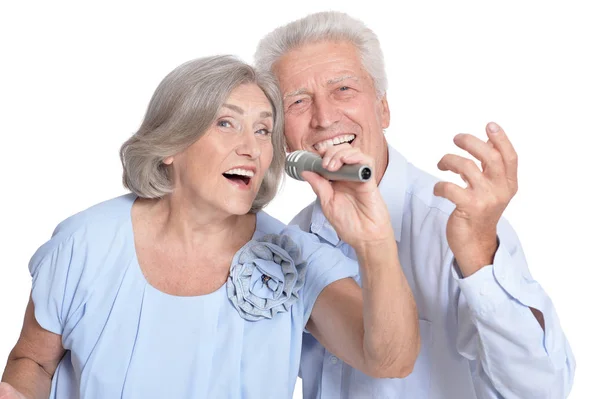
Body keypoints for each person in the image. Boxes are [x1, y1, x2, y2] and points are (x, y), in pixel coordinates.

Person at [0, 55, 419, 398]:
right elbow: (33, 360)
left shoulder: (295, 256)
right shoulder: (84, 242)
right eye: (226, 123)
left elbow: (390, 360)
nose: (251, 148)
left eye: (262, 130)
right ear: (171, 144)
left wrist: (375, 241)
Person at [255, 11, 576, 399]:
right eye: (299, 101)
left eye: (343, 90)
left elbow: (543, 390)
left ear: (383, 109)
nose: (324, 118)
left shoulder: (455, 225)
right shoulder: (294, 236)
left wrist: (479, 259)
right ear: (282, 137)